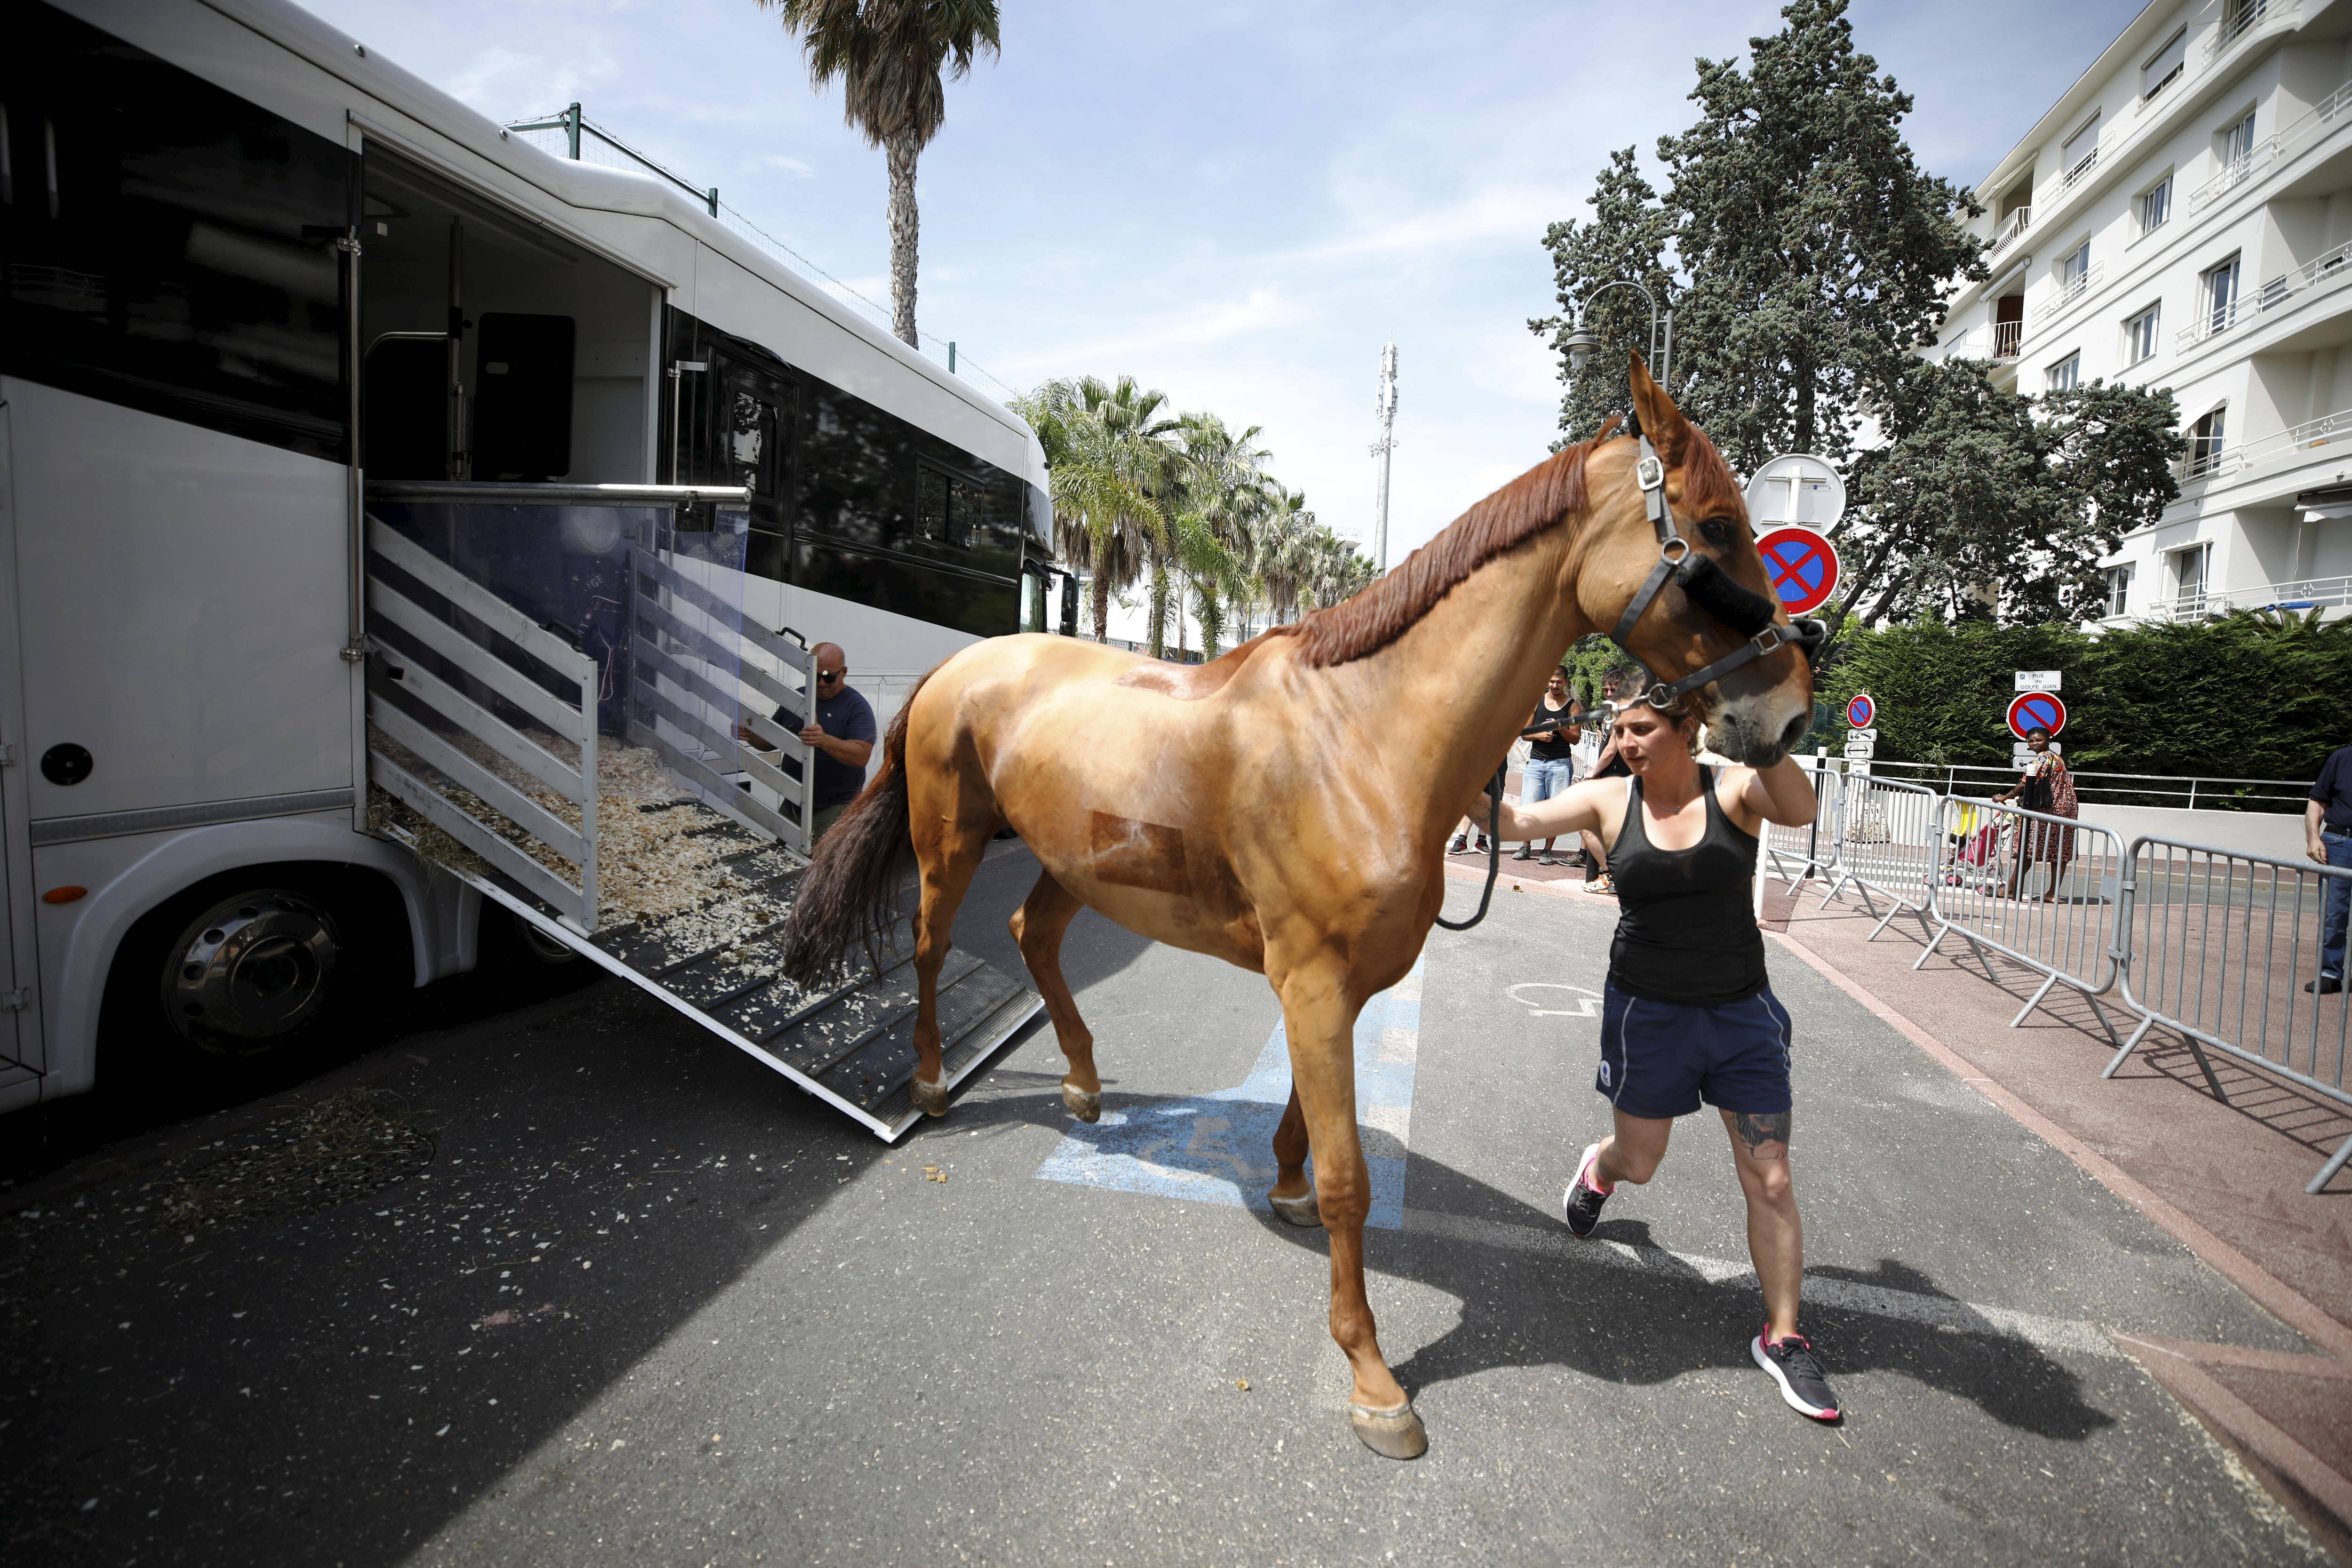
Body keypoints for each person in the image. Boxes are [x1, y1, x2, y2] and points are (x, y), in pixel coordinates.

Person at [1476, 696, 1842, 1423]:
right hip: (1648, 1014)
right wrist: (1464, 754)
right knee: (1641, 1161)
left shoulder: (1735, 786)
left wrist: (1765, 737)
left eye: (1640, 729)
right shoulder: (1610, 798)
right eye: (1618, 731)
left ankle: (1785, 1336)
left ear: (1687, 727)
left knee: (1770, 1176)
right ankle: (1599, 1170)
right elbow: (1511, 823)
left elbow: (1800, 809)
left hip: (1743, 1014)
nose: (1625, 742)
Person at [743, 641, 875, 844]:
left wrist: (824, 741)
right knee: (780, 860)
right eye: (816, 676)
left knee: (822, 868)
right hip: (794, 801)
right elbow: (771, 741)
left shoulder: (856, 706)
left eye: (829, 677)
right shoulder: (797, 698)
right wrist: (751, 735)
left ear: (844, 673)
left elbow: (861, 756)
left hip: (836, 806)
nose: (821, 683)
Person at [1578, 661, 1643, 895]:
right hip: (1607, 777)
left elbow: (1611, 750)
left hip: (1618, 778)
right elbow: (1601, 742)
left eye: (1613, 689)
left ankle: (1611, 876)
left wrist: (1592, 773)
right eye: (1605, 689)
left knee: (1588, 825)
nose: (1608, 693)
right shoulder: (1608, 712)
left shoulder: (1625, 712)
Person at [1994, 728, 2077, 901]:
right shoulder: (2057, 758)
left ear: (2048, 740)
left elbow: (2028, 781)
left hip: (2049, 809)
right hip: (2066, 808)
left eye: (2039, 740)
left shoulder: (2043, 758)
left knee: (2029, 846)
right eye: (2031, 741)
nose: (2034, 744)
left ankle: (2011, 888)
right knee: (2059, 850)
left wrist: (2006, 796)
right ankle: (2052, 893)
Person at [1515, 666, 1583, 865]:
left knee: (1554, 810)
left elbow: (1576, 739)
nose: (1555, 685)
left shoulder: (1573, 707)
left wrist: (1560, 728)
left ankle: (1547, 850)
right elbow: (1525, 733)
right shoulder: (1537, 702)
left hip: (1560, 764)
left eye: (1559, 682)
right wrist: (1540, 734)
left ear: (1566, 683)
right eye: (1552, 681)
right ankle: (1525, 846)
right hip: (1536, 762)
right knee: (1528, 806)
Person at [2305, 740, 2352, 995]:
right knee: (2334, 913)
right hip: (2340, 842)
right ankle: (2330, 973)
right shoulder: (2341, 758)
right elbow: (2317, 801)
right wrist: (2313, 837)